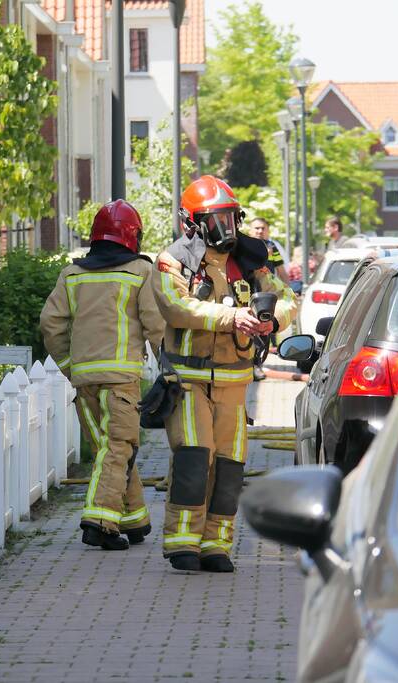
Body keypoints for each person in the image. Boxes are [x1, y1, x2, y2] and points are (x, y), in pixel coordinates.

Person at [152, 176, 296, 572]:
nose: (226, 231)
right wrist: (232, 316)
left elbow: (288, 298)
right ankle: (182, 540)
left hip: (234, 381)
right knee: (196, 457)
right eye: (216, 222)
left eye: (230, 220)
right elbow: (177, 308)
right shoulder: (173, 261)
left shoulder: (250, 258)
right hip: (188, 381)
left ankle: (217, 544)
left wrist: (269, 320)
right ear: (192, 223)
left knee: (231, 465)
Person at [40, 199, 165, 551]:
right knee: (119, 447)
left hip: (84, 380)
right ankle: (99, 523)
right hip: (121, 379)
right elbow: (156, 326)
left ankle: (134, 519)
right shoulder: (141, 272)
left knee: (108, 451)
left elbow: (51, 324)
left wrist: (69, 366)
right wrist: (170, 371)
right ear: (133, 236)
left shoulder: (72, 275)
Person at [247, 217, 289, 283]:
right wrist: (264, 255)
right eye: (257, 228)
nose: (260, 231)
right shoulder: (244, 245)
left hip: (269, 287)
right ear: (250, 231)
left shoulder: (272, 246)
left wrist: (290, 291)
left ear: (268, 231)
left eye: (263, 228)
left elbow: (282, 272)